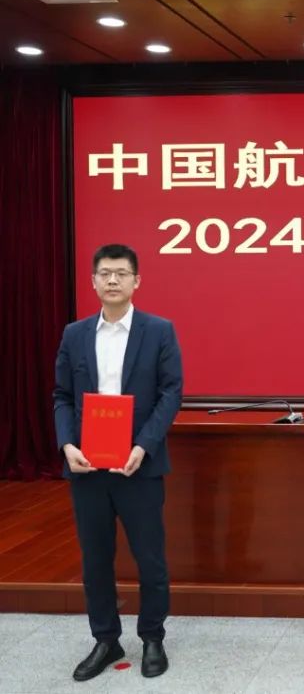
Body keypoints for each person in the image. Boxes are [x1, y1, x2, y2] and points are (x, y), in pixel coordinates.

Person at [53, 243, 182, 681]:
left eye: (121, 273)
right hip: (87, 466)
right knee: (95, 559)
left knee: (150, 559)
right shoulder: (74, 334)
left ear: (136, 281)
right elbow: (62, 396)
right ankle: (106, 639)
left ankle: (152, 637)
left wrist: (143, 445)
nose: (112, 280)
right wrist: (66, 444)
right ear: (93, 281)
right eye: (105, 273)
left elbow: (171, 392)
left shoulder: (158, 330)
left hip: (138, 465)